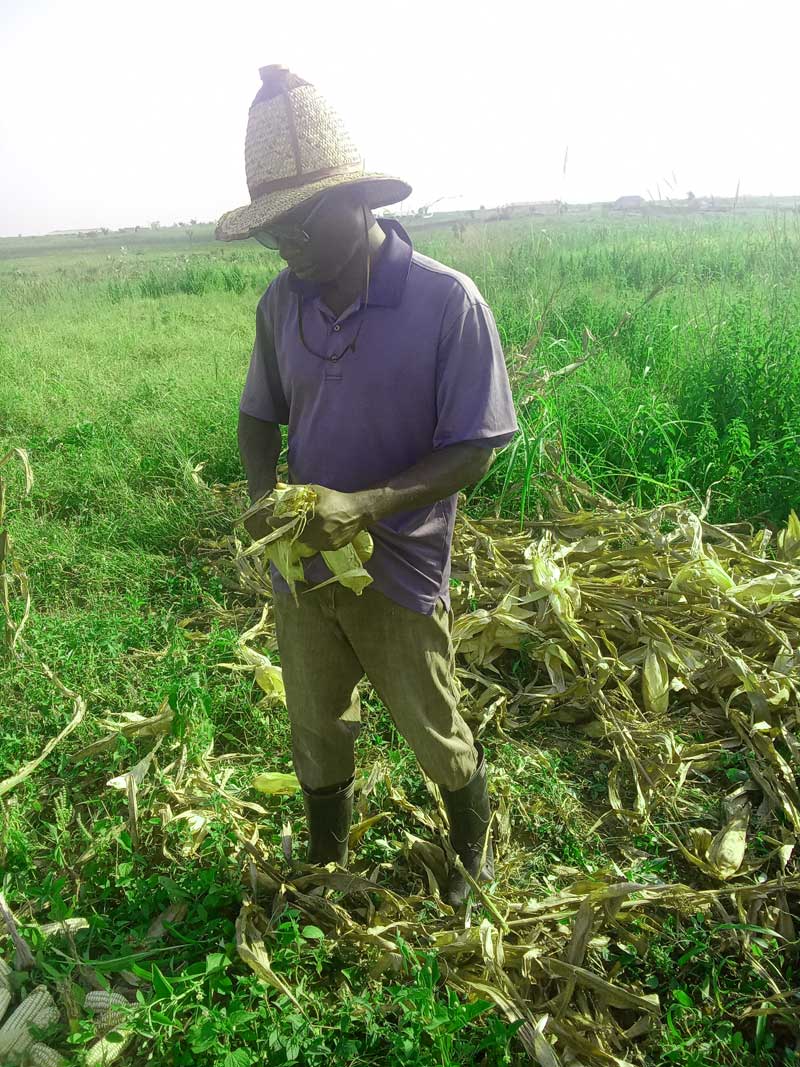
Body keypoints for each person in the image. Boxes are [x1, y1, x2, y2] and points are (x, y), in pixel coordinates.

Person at [216, 65, 518, 909]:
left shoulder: (446, 304)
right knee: (313, 721)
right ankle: (324, 860)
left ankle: (470, 853)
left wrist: (368, 506)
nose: (288, 247)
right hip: (304, 567)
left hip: (401, 566)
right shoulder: (284, 303)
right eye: (275, 232)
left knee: (434, 727)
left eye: (301, 225)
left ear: (360, 202)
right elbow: (256, 418)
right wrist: (265, 496)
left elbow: (474, 451)